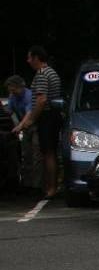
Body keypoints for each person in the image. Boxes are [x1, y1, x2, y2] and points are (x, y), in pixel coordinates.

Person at [12, 46, 63, 199]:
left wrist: (31, 120)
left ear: (36, 58)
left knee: (47, 153)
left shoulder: (41, 74)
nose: (28, 61)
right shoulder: (52, 72)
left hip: (47, 117)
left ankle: (50, 188)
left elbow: (41, 100)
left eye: (29, 58)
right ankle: (52, 185)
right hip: (53, 115)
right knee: (51, 152)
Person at [5, 75, 40, 192]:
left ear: (19, 86)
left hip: (35, 126)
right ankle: (27, 184)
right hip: (25, 128)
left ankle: (37, 185)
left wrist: (19, 126)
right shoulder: (12, 97)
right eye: (10, 90)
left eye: (13, 89)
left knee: (36, 154)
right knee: (26, 154)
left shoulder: (28, 95)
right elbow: (9, 112)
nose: (11, 92)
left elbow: (29, 113)